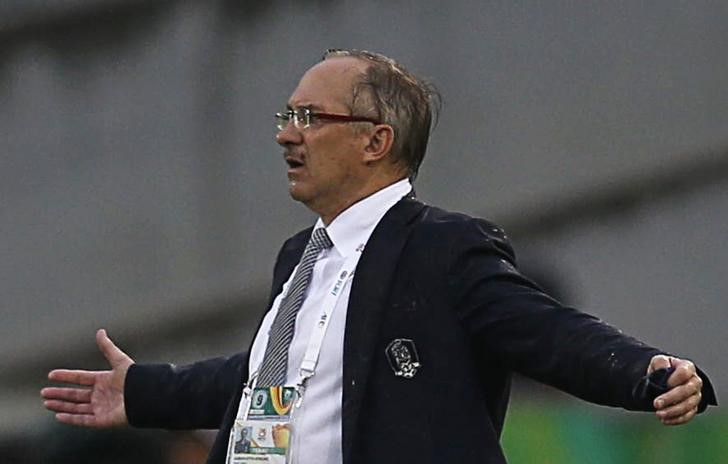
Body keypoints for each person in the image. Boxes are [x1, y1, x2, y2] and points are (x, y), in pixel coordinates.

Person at [41, 49, 717, 464]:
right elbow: (269, 386)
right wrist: (144, 391)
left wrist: (648, 374)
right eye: (285, 115)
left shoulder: (441, 249)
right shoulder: (301, 259)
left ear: (375, 141)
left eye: (310, 117)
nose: (285, 134)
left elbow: (547, 332)